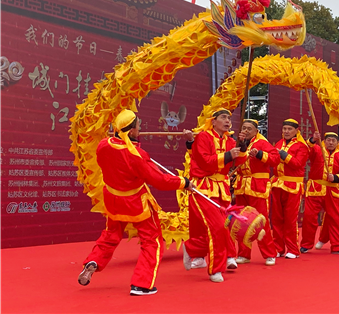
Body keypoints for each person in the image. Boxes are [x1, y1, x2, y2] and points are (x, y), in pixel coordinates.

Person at [77, 109, 193, 296]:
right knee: (152, 241)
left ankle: (94, 261)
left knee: (110, 235)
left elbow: (120, 153)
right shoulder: (137, 156)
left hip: (114, 200)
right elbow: (159, 181)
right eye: (138, 126)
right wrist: (184, 182)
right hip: (136, 203)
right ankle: (142, 284)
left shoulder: (103, 145)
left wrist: (135, 145)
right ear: (131, 131)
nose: (140, 129)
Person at [183, 109, 247, 283]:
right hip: (202, 188)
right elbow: (204, 162)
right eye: (223, 118)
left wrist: (243, 146)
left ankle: (191, 248)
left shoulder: (230, 140)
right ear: (214, 121)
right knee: (217, 227)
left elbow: (239, 161)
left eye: (229, 118)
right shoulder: (203, 137)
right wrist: (228, 155)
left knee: (223, 227)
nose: (227, 121)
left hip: (222, 189)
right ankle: (216, 269)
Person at [233, 119, 279, 266]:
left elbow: (275, 159)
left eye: (249, 129)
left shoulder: (262, 143)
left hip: (257, 186)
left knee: (261, 221)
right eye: (244, 128)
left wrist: (259, 154)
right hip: (241, 186)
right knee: (241, 221)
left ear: (256, 130)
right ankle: (243, 254)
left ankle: (269, 254)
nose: (246, 131)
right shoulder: (238, 143)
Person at [300, 131, 339, 255]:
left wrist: (336, 178)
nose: (331, 142)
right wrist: (313, 139)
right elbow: (306, 151)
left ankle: (337, 246)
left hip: (331, 191)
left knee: (335, 218)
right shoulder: (317, 150)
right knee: (309, 217)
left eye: (333, 140)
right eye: (328, 140)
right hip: (315, 188)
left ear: (337, 143)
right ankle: (306, 245)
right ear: (324, 141)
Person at [271, 119, 310, 259]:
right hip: (277, 184)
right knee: (276, 218)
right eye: (284, 129)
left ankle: (293, 249)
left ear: (296, 131)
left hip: (293, 186)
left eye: (289, 129)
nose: (286, 131)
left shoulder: (302, 146)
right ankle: (278, 248)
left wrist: (283, 155)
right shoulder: (279, 143)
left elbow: (298, 164)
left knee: (290, 219)